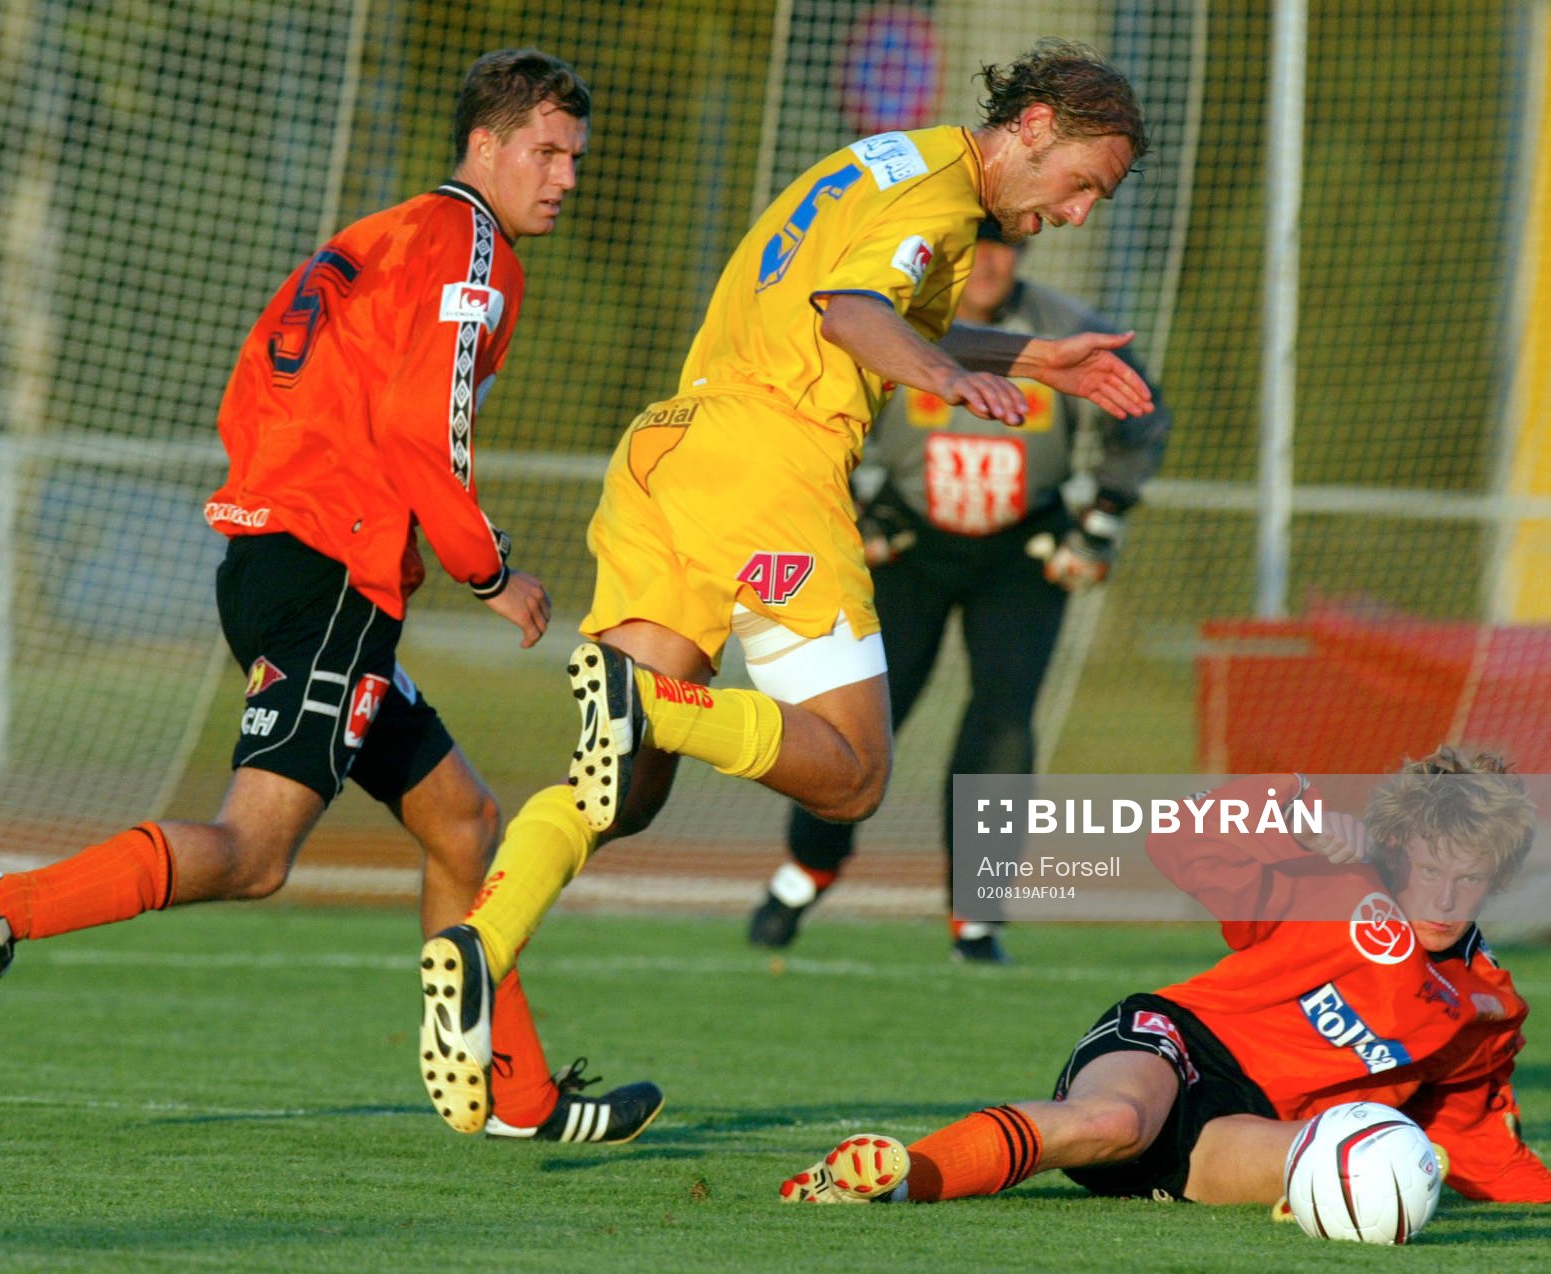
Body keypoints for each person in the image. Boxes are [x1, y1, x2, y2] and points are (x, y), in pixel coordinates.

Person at [0, 49, 662, 1146]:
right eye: (546, 152)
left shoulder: (377, 234)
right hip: (332, 576)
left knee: (463, 821)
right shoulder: (475, 250)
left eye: (574, 158)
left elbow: (265, 380)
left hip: (276, 555)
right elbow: (424, 430)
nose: (563, 176)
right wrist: (491, 573)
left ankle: (515, 1091)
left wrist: (312, 504)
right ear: (485, 146)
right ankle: (1, 905)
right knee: (256, 851)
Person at [418, 39, 1155, 1134]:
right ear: (1036, 126)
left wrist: (1030, 357)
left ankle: (478, 940)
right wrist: (946, 379)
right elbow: (850, 314)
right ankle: (652, 704)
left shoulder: (890, 160)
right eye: (1085, 180)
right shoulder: (946, 203)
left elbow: (873, 295)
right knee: (853, 774)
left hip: (670, 450)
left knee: (622, 788)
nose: (1081, 211)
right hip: (772, 464)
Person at [779, 748, 1551, 1209]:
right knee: (1113, 1120)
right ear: (1399, 845)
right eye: (1430, 869)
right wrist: (1291, 809)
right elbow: (1177, 840)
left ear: (1497, 877)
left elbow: (1472, 1126)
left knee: (1342, 1169)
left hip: (1245, 1125)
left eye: (1471, 879)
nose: (1445, 896)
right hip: (1175, 1044)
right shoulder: (1335, 883)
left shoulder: (1486, 1000)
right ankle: (893, 1178)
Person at [746, 217, 1172, 963]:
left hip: (1023, 552)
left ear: (1024, 254)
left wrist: (1101, 519)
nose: (990, 264)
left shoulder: (1062, 330)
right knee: (858, 716)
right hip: (907, 543)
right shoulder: (899, 323)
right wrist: (854, 506)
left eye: (1005, 248)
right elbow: (805, 403)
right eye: (978, 247)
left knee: (1002, 727)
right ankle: (805, 870)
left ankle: (975, 916)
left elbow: (1143, 411)